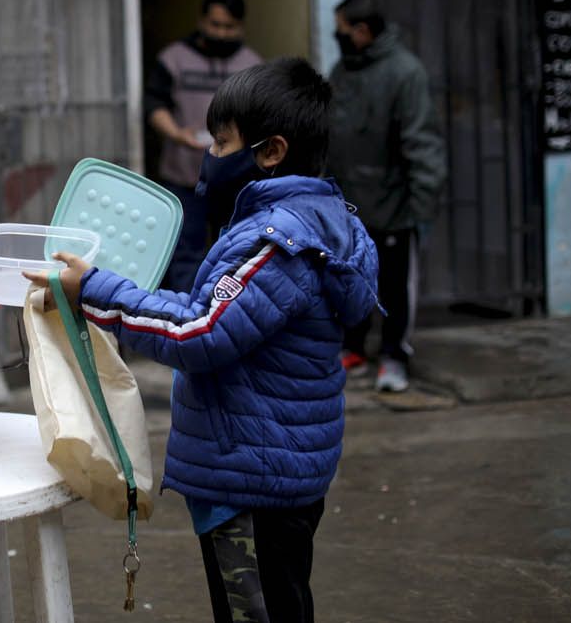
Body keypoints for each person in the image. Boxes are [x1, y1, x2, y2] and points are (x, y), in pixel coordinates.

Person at [26, 58, 380, 623]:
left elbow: (199, 332)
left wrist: (92, 291)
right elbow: (209, 312)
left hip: (253, 485)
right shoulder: (314, 221)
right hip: (272, 471)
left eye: (220, 143)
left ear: (270, 152)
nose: (208, 157)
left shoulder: (274, 245)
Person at [328, 0, 447, 392]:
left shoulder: (405, 73)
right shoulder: (343, 72)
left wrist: (421, 209)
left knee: (394, 285)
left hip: (395, 206)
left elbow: (422, 144)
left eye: (341, 30)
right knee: (351, 281)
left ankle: (395, 355)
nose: (337, 37)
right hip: (350, 205)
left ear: (361, 32)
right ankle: (355, 348)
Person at [144, 0, 262, 291]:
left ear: (241, 27)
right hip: (184, 177)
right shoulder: (174, 58)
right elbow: (154, 103)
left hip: (236, 179)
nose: (221, 33)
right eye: (215, 25)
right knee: (185, 255)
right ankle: (185, 320)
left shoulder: (251, 63)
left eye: (229, 27)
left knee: (236, 252)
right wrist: (175, 133)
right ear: (201, 21)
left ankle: (225, 318)